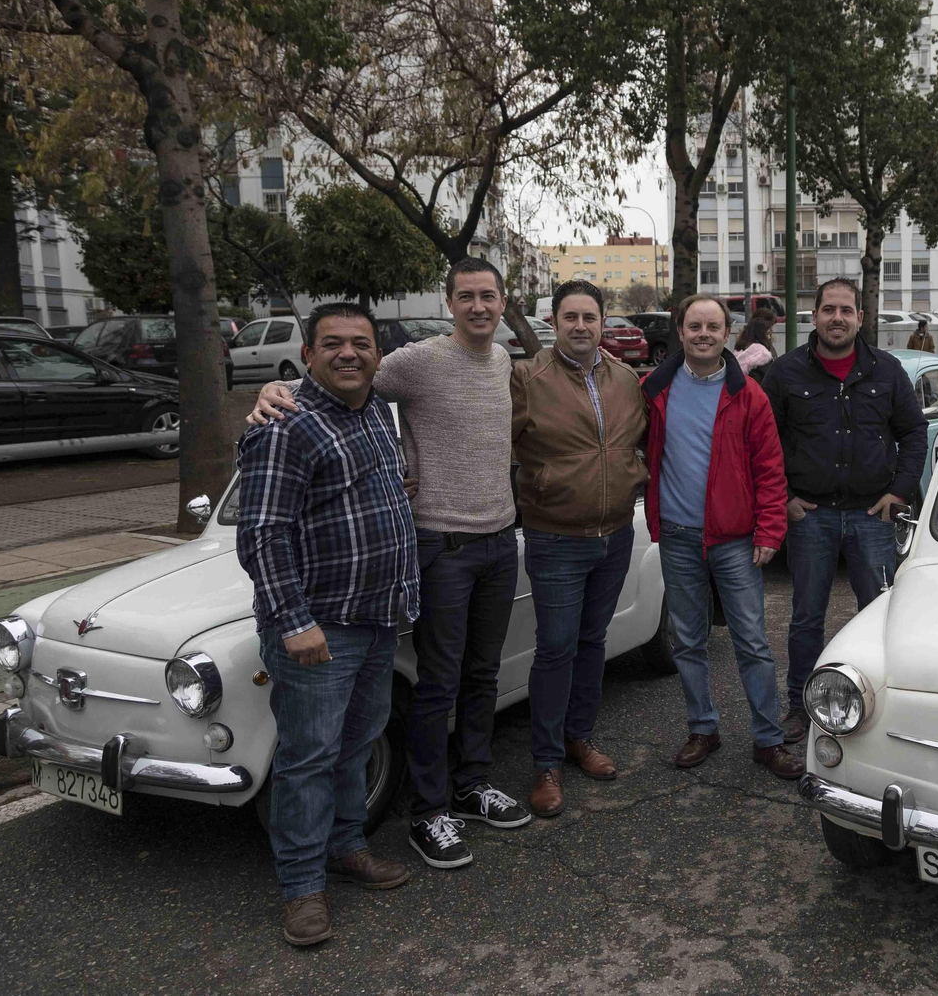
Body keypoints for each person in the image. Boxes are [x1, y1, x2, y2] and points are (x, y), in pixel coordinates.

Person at [248, 257, 530, 873]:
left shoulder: (504, 359)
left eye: (489, 296)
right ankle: (430, 812)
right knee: (439, 683)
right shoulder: (416, 361)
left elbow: (356, 396)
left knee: (482, 675)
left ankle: (472, 784)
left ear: (504, 303)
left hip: (497, 540)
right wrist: (277, 390)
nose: (479, 307)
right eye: (466, 297)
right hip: (442, 547)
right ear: (449, 302)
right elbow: (342, 382)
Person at [235, 302, 418, 947]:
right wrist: (292, 619)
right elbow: (262, 534)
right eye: (333, 344)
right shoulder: (284, 424)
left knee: (356, 744)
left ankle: (345, 847)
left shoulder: (374, 411)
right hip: (319, 628)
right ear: (307, 355)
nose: (349, 354)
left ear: (377, 354)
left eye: (361, 343)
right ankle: (301, 887)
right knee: (307, 758)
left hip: (377, 618)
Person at [642, 295, 803, 779]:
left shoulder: (748, 394)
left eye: (713, 326)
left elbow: (770, 469)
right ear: (681, 329)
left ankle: (768, 740)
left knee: (752, 641)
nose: (704, 334)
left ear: (728, 332)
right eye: (695, 326)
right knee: (688, 641)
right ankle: (702, 728)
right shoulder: (655, 389)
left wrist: (770, 529)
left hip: (734, 540)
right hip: (677, 535)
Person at [764, 278, 928, 742]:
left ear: (860, 317)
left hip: (871, 516)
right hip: (809, 516)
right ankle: (800, 705)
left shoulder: (888, 371)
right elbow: (765, 443)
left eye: (846, 310)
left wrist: (898, 492)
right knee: (805, 616)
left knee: (880, 613)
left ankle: (884, 702)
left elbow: (915, 433)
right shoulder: (785, 373)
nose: (837, 318)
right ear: (813, 316)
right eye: (828, 309)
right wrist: (783, 498)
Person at [513, 279, 649, 818]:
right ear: (553, 321)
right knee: (557, 647)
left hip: (615, 534)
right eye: (569, 317)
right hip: (556, 538)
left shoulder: (624, 379)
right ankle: (545, 763)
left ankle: (579, 738)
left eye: (589, 317)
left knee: (593, 641)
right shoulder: (525, 377)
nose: (580, 326)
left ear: (602, 321)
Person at [733, 312, 776, 382]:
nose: (770, 336)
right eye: (768, 333)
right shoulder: (764, 356)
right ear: (761, 335)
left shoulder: (738, 351)